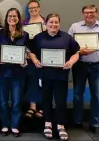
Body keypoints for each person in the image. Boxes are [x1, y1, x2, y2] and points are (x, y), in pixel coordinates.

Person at [68, 4, 99, 138]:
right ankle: (77, 121)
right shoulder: (75, 27)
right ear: (82, 13)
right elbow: (69, 45)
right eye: (86, 12)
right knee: (78, 95)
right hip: (79, 65)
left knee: (96, 97)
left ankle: (95, 123)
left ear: (97, 13)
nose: (89, 15)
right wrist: (78, 52)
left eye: (92, 12)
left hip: (97, 66)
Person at [29, 13, 80, 141]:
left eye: (56, 22)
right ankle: (47, 124)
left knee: (60, 101)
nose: (53, 24)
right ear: (46, 24)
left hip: (61, 76)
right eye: (51, 22)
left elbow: (76, 53)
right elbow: (31, 52)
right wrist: (34, 60)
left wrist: (71, 62)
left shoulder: (67, 38)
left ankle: (61, 125)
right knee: (45, 100)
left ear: (59, 23)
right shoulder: (38, 37)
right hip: (44, 75)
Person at [0, 8, 29, 137]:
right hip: (2, 72)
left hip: (18, 72)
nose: (12, 18)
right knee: (2, 101)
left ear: (18, 18)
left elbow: (25, 51)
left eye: (15, 16)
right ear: (6, 18)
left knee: (16, 101)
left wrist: (24, 59)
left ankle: (15, 125)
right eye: (10, 16)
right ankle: (5, 124)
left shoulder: (24, 34)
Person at [22, 0, 45, 118]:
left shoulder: (46, 22)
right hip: (30, 57)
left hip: (45, 57)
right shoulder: (24, 23)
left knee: (44, 82)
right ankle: (33, 107)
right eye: (30, 8)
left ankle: (44, 107)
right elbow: (23, 42)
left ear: (39, 8)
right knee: (32, 82)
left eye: (35, 7)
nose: (33, 10)